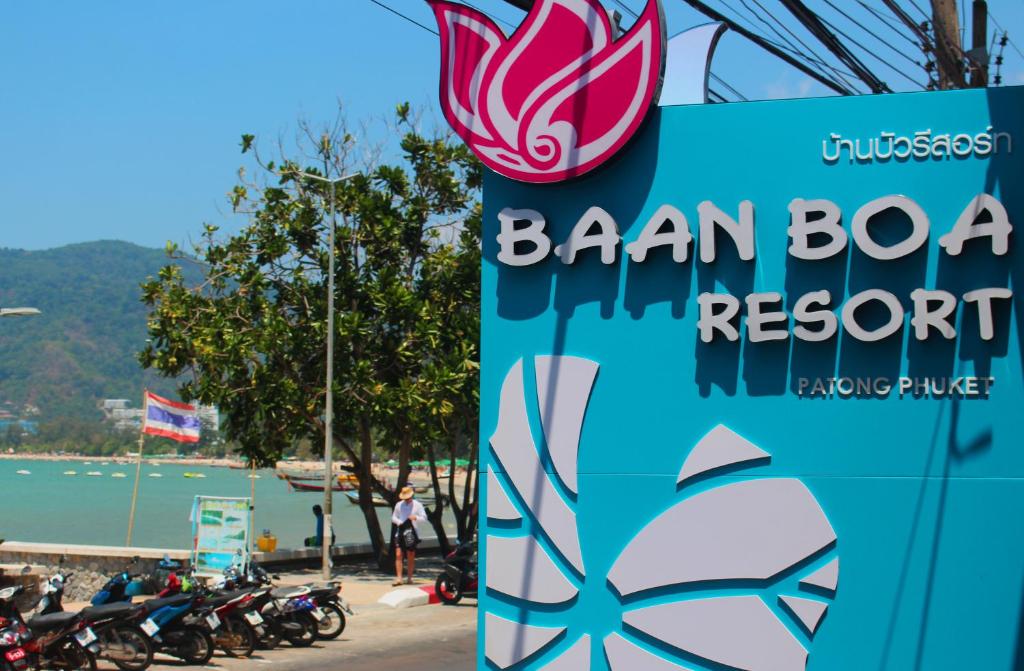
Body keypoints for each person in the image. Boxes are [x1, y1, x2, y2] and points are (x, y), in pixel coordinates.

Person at [391, 486, 426, 586]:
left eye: (408, 497)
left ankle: (410, 578)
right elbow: (394, 517)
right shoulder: (399, 505)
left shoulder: (418, 505)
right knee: (398, 554)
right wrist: (399, 522)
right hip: (400, 531)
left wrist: (416, 517)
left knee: (410, 555)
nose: (406, 499)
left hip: (412, 532)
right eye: (405, 498)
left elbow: (424, 518)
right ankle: (399, 578)